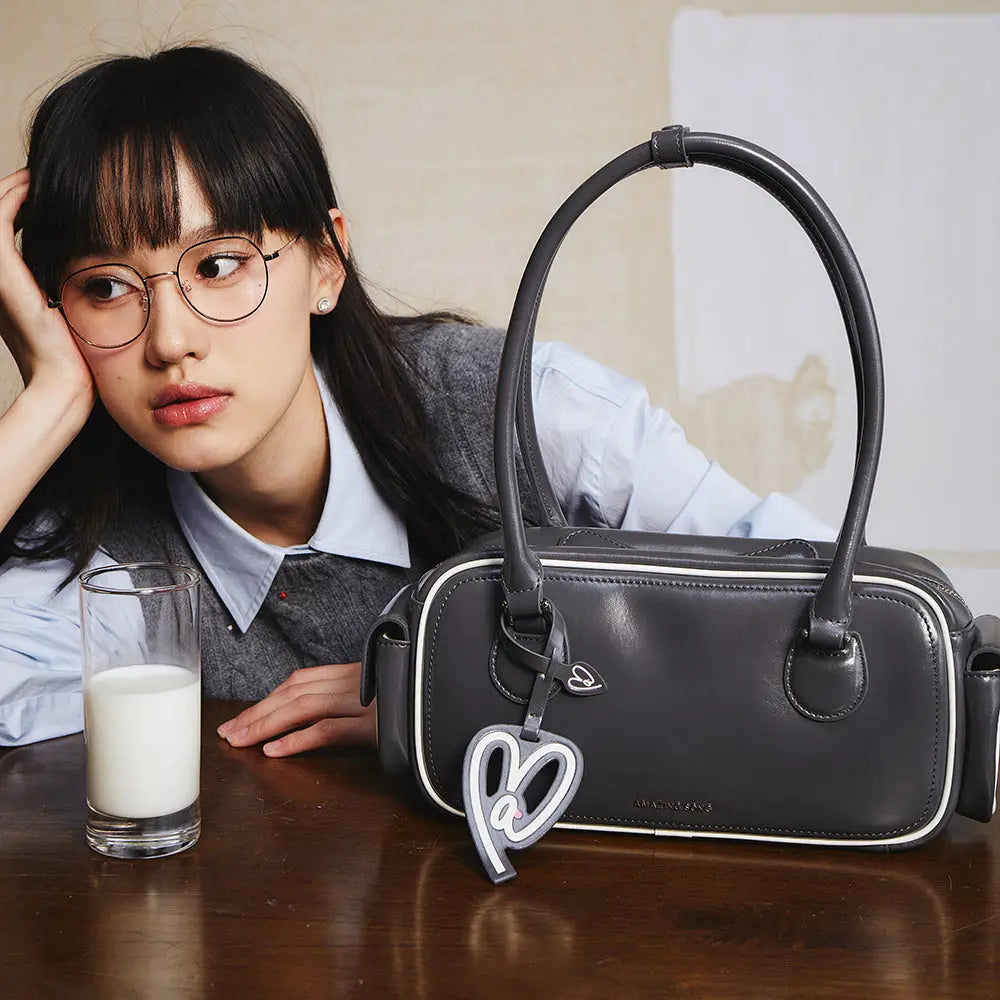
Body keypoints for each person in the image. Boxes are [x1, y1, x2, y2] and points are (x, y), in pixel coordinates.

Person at [0, 45, 833, 752]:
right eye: (105, 287)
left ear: (327, 262)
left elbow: (840, 623)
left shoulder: (519, 412)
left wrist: (460, 696)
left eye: (220, 265)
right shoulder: (100, 552)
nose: (169, 341)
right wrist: (43, 408)